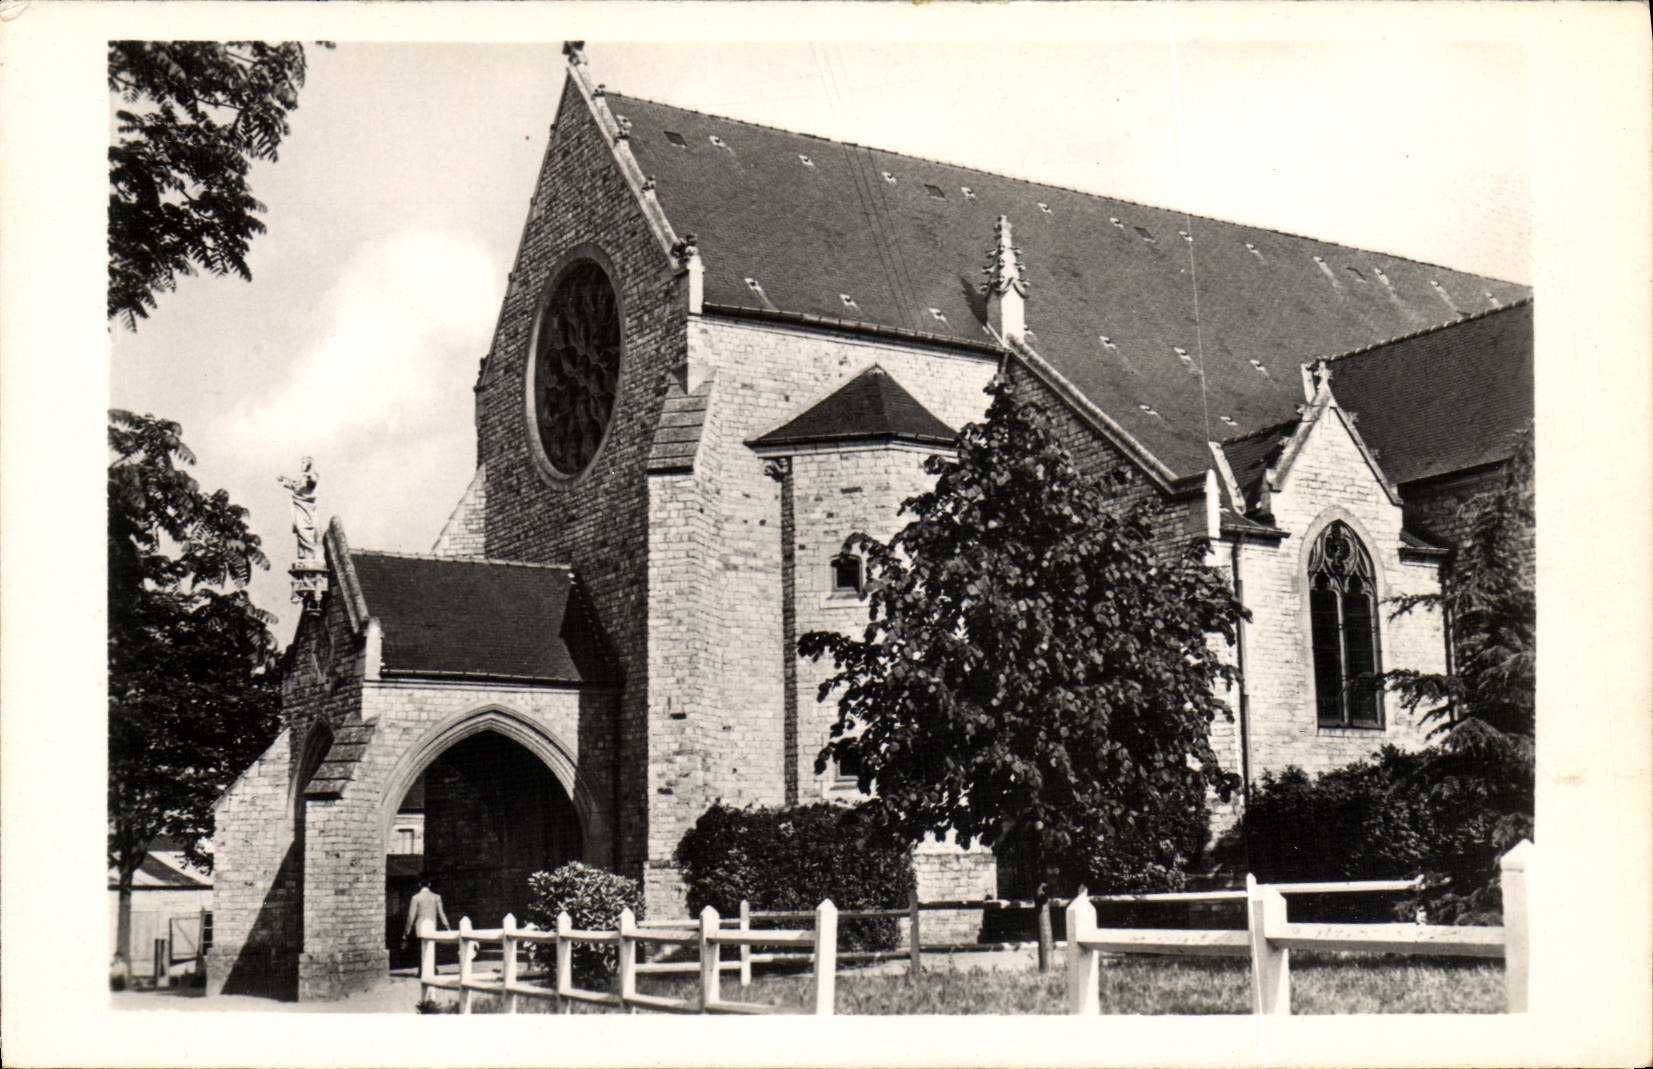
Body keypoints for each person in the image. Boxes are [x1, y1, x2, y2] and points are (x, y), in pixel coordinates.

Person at [403, 880, 451, 946]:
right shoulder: (436, 897)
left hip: (420, 929)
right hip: (432, 927)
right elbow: (441, 913)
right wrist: (447, 926)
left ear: (419, 884)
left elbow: (411, 916)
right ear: (429, 884)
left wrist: (406, 932)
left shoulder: (415, 898)